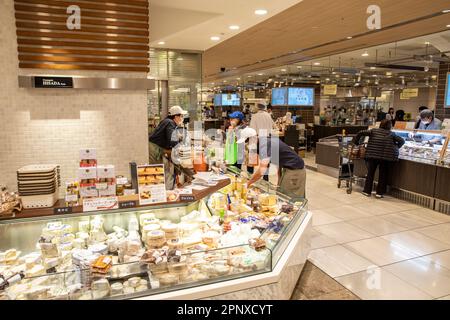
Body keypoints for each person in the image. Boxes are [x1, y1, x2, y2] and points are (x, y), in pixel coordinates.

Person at [353, 120, 405, 198]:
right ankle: (379, 193)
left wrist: (357, 142)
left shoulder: (373, 131)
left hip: (372, 155)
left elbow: (360, 132)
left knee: (370, 173)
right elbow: (402, 141)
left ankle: (367, 191)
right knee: (383, 174)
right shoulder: (391, 134)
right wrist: (397, 146)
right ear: (389, 126)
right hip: (385, 157)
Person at [149, 105, 187, 189]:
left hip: (154, 147)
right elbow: (172, 141)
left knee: (160, 170)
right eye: (181, 116)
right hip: (154, 149)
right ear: (176, 116)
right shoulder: (170, 123)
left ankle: (161, 190)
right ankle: (162, 191)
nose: (182, 118)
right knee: (160, 171)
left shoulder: (167, 121)